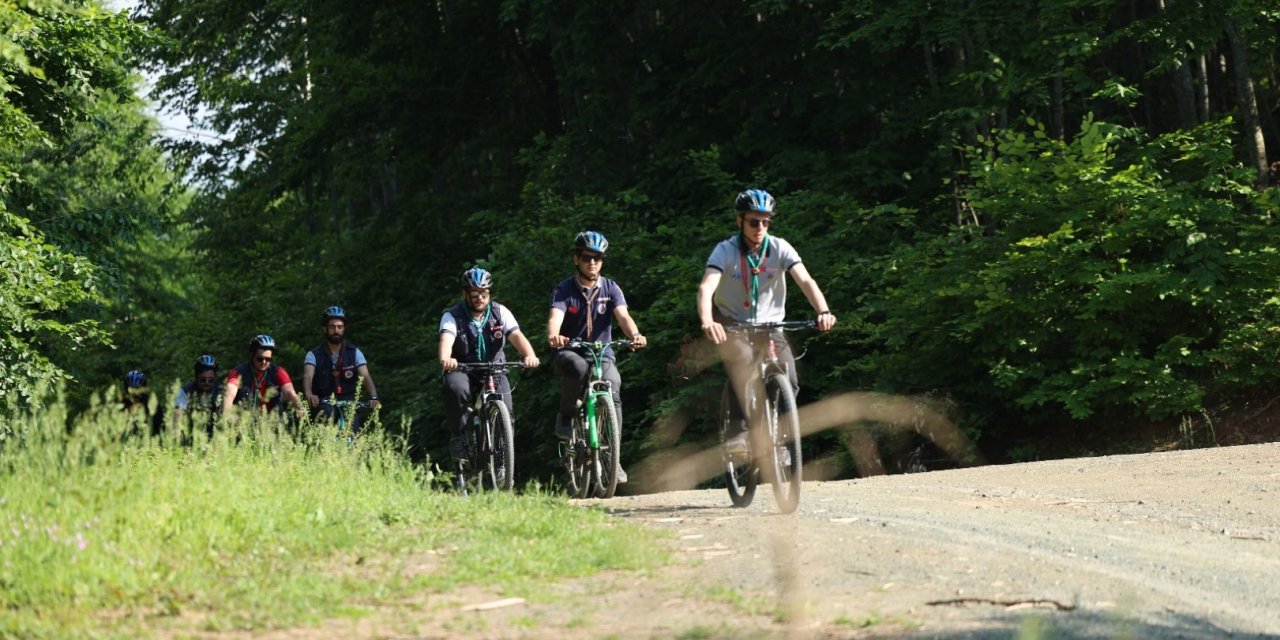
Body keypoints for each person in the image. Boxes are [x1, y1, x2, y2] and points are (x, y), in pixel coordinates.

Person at [695, 189, 837, 456]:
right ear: (740, 221)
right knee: (744, 361)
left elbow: (806, 281)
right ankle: (738, 433)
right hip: (732, 323)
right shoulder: (725, 250)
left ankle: (780, 442)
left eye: (765, 221)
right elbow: (706, 288)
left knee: (789, 377)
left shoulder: (780, 248)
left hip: (771, 325)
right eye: (753, 221)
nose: (760, 227)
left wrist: (823, 311)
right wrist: (707, 321)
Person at [546, 231, 647, 483]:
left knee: (613, 386)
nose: (592, 262)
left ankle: (613, 458)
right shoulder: (563, 290)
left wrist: (635, 334)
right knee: (577, 367)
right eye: (586, 257)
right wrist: (554, 335)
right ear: (576, 259)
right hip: (570, 351)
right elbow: (554, 318)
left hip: (602, 352)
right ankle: (567, 416)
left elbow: (623, 316)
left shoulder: (610, 287)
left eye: (598, 258)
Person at [439, 267, 540, 462]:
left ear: (489, 294)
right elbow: (446, 340)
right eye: (474, 294)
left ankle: (503, 460)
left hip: (495, 369)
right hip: (462, 368)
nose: (479, 298)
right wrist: (446, 358)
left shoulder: (499, 312)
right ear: (465, 294)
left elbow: (516, 335)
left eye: (484, 294)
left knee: (507, 411)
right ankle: (459, 436)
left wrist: (529, 355)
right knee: (455, 388)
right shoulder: (452, 316)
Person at [303, 306, 381, 429]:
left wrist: (374, 397)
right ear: (325, 329)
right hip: (324, 406)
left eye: (340, 327)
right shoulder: (313, 355)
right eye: (332, 327)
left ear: (344, 329)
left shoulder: (354, 352)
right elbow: (308, 376)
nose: (336, 330)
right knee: (324, 437)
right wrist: (309, 394)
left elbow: (365, 376)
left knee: (353, 435)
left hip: (349, 405)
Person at [222, 334, 303, 417]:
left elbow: (290, 393)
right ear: (252, 356)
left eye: (268, 359)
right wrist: (226, 417)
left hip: (272, 422)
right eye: (260, 359)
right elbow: (229, 395)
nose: (264, 362)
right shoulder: (239, 372)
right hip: (244, 422)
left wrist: (301, 410)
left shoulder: (278, 372)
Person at [172, 354, 222, 438]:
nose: (207, 383)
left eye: (211, 380)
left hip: (216, 438)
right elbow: (177, 417)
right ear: (196, 377)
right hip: (190, 437)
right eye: (203, 380)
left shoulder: (221, 392)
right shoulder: (185, 392)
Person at [121, 369, 165, 436]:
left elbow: (160, 427)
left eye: (138, 390)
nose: (135, 394)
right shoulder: (121, 403)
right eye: (132, 391)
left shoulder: (151, 403)